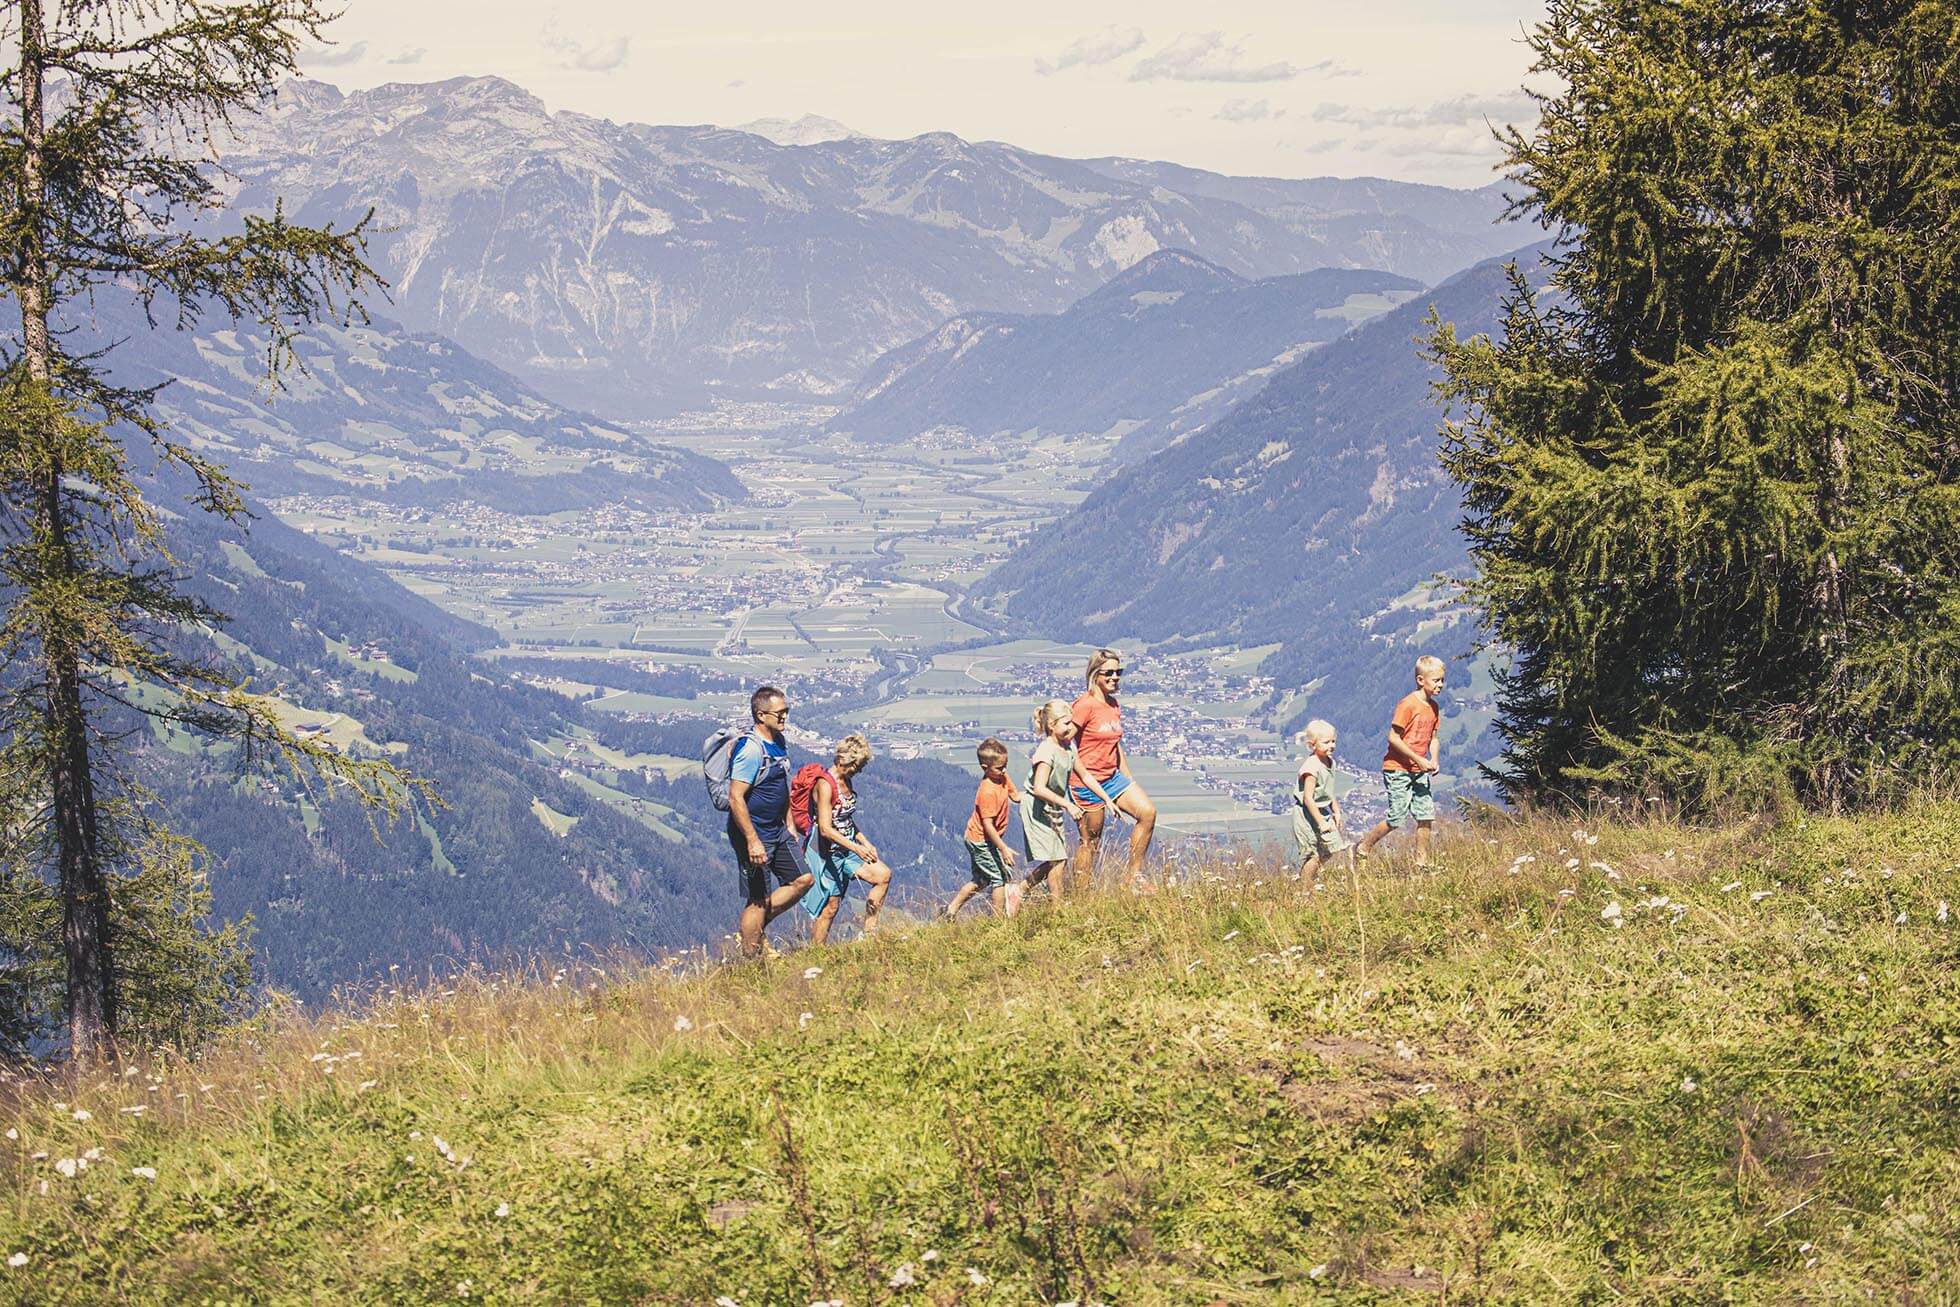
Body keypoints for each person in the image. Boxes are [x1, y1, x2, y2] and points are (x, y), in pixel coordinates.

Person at [726, 685, 813, 957]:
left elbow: (780, 785)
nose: (785, 717)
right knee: (758, 899)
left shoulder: (778, 742)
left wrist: (789, 823)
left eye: (786, 711)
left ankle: (755, 929)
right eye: (779, 713)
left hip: (777, 829)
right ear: (761, 715)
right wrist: (752, 840)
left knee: (803, 880)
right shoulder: (751, 750)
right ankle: (751, 961)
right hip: (754, 835)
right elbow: (735, 798)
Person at [1068, 648, 1158, 892]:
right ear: (1095, 674)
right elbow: (1066, 741)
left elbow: (1115, 744)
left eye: (1119, 672)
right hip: (1087, 782)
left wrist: (1128, 778)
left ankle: (1132, 878)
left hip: (1112, 777)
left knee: (1147, 813)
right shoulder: (1084, 706)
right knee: (1091, 841)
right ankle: (1081, 895)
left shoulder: (1113, 704)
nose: (1115, 677)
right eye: (1109, 672)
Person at [1354, 656, 1446, 866]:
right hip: (1397, 769)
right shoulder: (1408, 704)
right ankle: (1363, 847)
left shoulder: (1434, 707)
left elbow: (1433, 738)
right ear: (1421, 680)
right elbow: (1393, 737)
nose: (1440, 685)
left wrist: (1433, 759)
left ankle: (1421, 862)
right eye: (1436, 680)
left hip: (1420, 769)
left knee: (1426, 815)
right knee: (1396, 817)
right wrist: (1417, 759)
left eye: (1442, 680)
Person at [803, 733, 893, 946]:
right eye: (857, 765)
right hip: (828, 852)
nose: (859, 770)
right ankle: (817, 952)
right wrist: (857, 847)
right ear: (845, 761)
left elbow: (845, 819)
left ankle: (868, 936)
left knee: (883, 876)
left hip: (848, 847)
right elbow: (825, 828)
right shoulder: (825, 785)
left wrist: (865, 841)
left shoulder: (846, 780)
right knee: (831, 907)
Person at [1021, 700, 1101, 902]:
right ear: (1051, 726)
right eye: (1066, 723)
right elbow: (1039, 788)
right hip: (1038, 808)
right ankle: (1056, 907)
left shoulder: (1068, 747)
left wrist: (1107, 799)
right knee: (1058, 859)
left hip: (1052, 808)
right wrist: (1067, 804)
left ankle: (1020, 889)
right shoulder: (1046, 752)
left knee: (1057, 859)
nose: (1070, 727)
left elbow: (1085, 775)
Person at [945, 737, 1022, 918]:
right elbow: (987, 825)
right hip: (980, 840)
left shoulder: (1001, 776)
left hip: (985, 840)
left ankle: (950, 911)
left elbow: (1016, 796)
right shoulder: (987, 791)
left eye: (1005, 766)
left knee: (981, 880)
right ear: (984, 768)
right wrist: (1003, 848)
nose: (1004, 771)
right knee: (999, 878)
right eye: (999, 768)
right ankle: (997, 921)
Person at [1293, 719, 1349, 879]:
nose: (1331, 745)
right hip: (1306, 815)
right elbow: (1308, 798)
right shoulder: (1312, 767)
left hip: (1321, 811)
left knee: (1330, 849)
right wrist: (1321, 822)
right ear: (1312, 745)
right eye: (1326, 742)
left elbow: (1328, 790)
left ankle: (1309, 877)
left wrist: (1336, 812)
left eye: (1333, 741)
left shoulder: (1330, 762)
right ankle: (1306, 888)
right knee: (1312, 854)